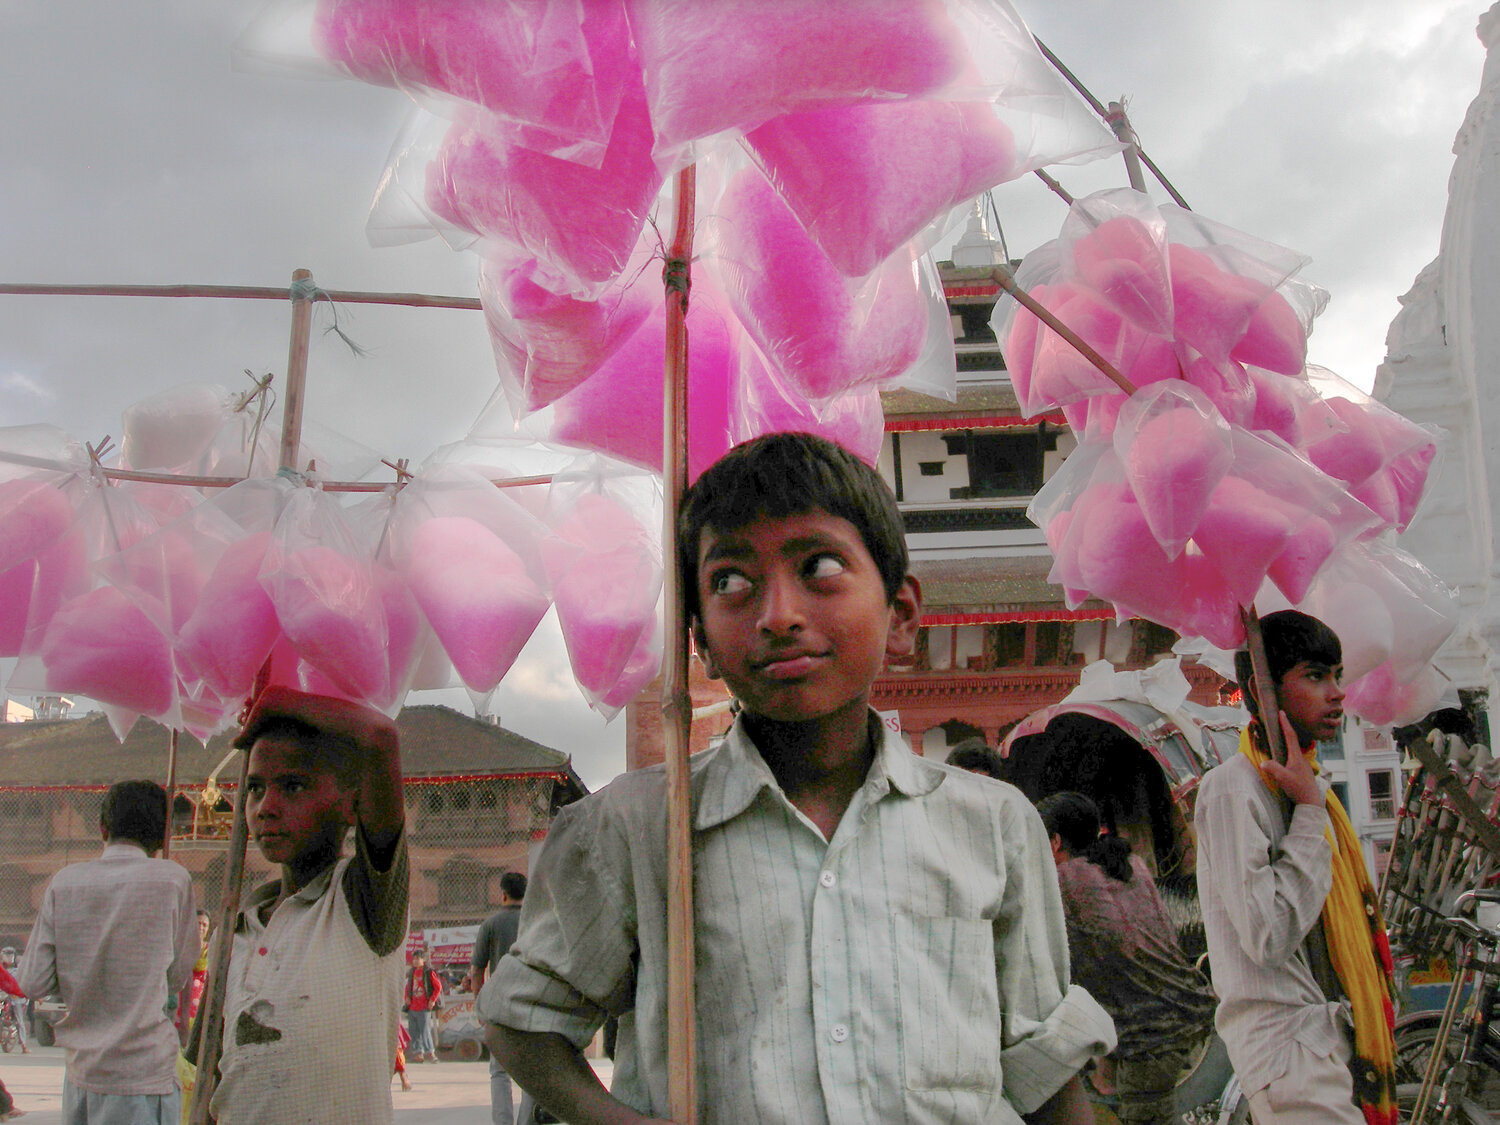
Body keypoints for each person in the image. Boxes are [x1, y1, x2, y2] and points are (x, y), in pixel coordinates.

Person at [482, 431, 1114, 1124]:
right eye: (730, 581)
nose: (778, 614)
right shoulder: (636, 829)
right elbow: (522, 1017)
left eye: (818, 565)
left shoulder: (994, 824)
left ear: (901, 615)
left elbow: (1045, 1070)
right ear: (700, 643)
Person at [1194, 609, 1397, 1125]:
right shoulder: (1233, 789)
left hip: (1332, 1042)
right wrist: (1307, 812)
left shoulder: (1307, 784)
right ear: (1264, 691)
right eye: (1314, 675)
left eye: (1337, 675)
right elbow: (1269, 935)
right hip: (1287, 1050)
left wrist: (1308, 801)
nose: (1336, 693)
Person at [191, 687, 409, 1124]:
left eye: (292, 786)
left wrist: (274, 701)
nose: (266, 807)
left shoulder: (363, 903)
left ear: (353, 804)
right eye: (255, 788)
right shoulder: (233, 932)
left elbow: (380, 736)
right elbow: (212, 1073)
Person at [17, 780, 197, 1123]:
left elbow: (32, 983)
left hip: (82, 1076)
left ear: (102, 827)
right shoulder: (173, 880)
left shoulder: (64, 882)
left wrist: (80, 976)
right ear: (164, 835)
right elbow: (176, 975)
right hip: (143, 1077)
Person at [1037, 791, 1215, 1125]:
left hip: (1150, 1034)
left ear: (1056, 841)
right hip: (1189, 1006)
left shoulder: (1063, 881)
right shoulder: (1129, 863)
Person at [469, 872, 531, 1125]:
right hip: (532, 1005)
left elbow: (476, 971)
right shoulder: (535, 922)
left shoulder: (490, 924)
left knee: (499, 1072)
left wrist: (480, 1007)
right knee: (531, 1074)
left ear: (503, 894)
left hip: (500, 1008)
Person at [404, 951, 443, 1064]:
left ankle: (430, 1053)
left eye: (418, 958)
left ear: (423, 960)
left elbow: (438, 987)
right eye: (414, 958)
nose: (415, 961)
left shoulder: (428, 972)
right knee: (414, 1031)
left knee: (425, 1030)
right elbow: (408, 987)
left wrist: (432, 1000)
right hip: (412, 1007)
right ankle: (418, 1053)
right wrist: (406, 997)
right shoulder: (412, 972)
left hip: (424, 1007)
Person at [0, 949, 29, 1056]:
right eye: (6, 956)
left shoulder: (18, 971)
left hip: (16, 998)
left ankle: (24, 1045)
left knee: (19, 1020)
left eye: (11, 956)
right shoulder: (2, 969)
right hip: (3, 996)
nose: (9, 958)